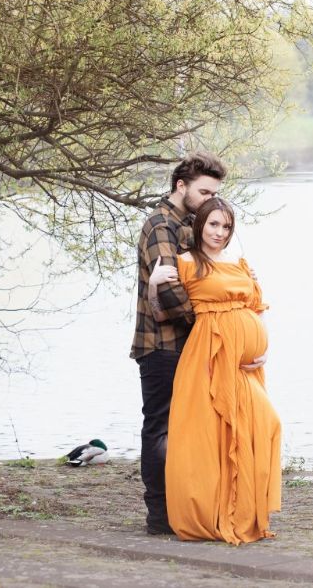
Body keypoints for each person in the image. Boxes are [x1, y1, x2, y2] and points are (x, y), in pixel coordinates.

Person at [148, 197, 280, 545]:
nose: (219, 233)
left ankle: (245, 509)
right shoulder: (187, 262)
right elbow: (163, 314)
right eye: (213, 225)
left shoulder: (240, 263)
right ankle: (210, 514)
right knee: (211, 440)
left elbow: (257, 306)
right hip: (208, 357)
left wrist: (263, 347)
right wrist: (152, 287)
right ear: (199, 225)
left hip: (246, 366)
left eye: (226, 226)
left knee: (263, 423)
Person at [130, 151, 227, 535]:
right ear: (180, 186)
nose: (209, 200)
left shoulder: (190, 224)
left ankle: (185, 508)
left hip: (188, 345)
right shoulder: (159, 225)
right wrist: (210, 320)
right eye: (204, 192)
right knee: (160, 427)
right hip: (161, 344)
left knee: (186, 428)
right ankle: (158, 515)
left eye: (214, 193)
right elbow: (169, 290)